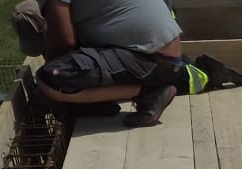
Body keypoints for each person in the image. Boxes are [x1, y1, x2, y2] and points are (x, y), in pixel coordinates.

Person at [32, 0, 188, 127]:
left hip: (152, 60)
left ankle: (149, 93)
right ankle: (101, 102)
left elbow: (65, 41)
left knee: (51, 77)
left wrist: (48, 92)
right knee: (72, 67)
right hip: (165, 56)